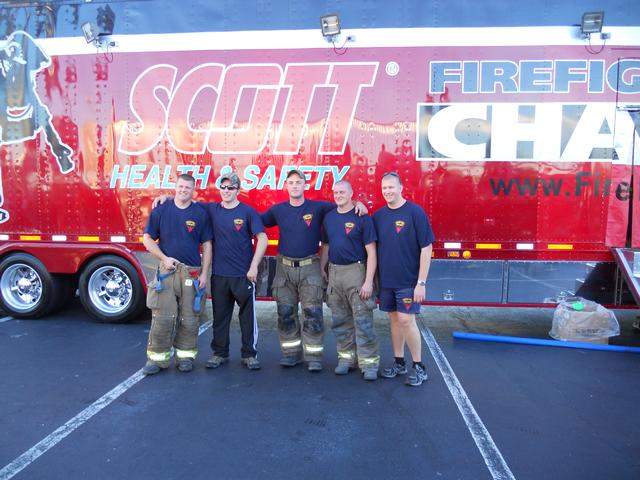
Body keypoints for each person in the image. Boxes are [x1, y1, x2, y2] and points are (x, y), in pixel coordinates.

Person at [262, 169, 336, 372]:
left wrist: (359, 206)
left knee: (312, 313)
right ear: (286, 186)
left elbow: (343, 207)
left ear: (305, 185)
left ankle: (313, 356)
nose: (295, 186)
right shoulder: (278, 210)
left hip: (310, 266)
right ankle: (290, 354)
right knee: (285, 313)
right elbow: (253, 221)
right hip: (284, 268)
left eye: (298, 182)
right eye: (291, 182)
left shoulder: (318, 207)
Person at [142, 173, 213, 375]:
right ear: (176, 187)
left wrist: (204, 274)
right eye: (180, 187)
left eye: (187, 188)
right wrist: (164, 258)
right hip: (167, 271)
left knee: (189, 319)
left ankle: (186, 357)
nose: (183, 190)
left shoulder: (200, 213)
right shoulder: (162, 210)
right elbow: (147, 239)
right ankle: (157, 359)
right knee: (162, 317)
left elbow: (207, 245)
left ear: (193, 190)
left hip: (191, 272)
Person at [373, 171, 435, 387]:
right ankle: (399, 362)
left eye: (391, 187)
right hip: (387, 281)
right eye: (384, 188)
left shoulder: (415, 213)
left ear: (401, 188)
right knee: (394, 320)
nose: (387, 191)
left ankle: (419, 367)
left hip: (409, 281)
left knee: (407, 320)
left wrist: (421, 282)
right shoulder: (379, 216)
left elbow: (426, 248)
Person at [204, 172, 268, 371]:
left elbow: (263, 238)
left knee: (247, 317)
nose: (226, 191)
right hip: (220, 275)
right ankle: (219, 354)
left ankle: (249, 354)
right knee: (220, 317)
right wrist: (167, 198)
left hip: (243, 275)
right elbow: (186, 203)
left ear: (238, 191)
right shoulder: (212, 210)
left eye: (230, 187)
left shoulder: (248, 212)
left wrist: (253, 266)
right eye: (223, 187)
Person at [320, 180, 379, 381]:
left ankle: (369, 364)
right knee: (340, 321)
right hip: (335, 273)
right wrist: (322, 268)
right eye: (336, 192)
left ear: (352, 193)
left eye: (342, 192)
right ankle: (346, 360)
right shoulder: (329, 218)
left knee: (363, 321)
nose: (338, 195)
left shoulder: (362, 217)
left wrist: (369, 281)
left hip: (357, 272)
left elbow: (372, 251)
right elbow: (326, 246)